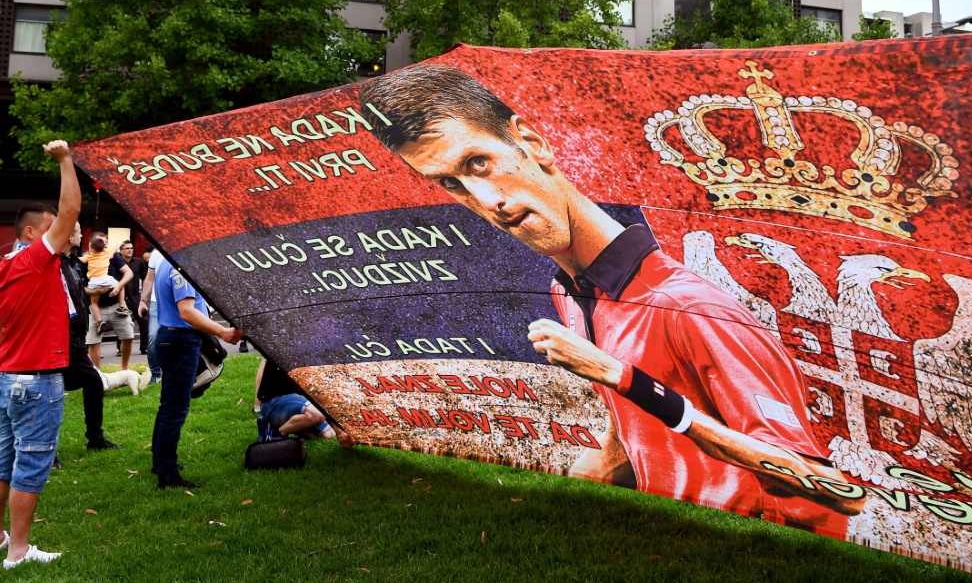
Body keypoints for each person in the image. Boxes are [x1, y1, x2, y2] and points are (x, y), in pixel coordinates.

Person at [359, 65, 865, 533]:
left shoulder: (687, 306)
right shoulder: (570, 292)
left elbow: (833, 492)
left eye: (479, 162)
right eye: (452, 183)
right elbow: (635, 427)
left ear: (532, 143)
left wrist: (620, 376)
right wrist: (597, 468)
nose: (486, 202)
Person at [0, 141, 80, 568]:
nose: (64, 235)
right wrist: (66, 161)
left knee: (3, 460)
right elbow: (68, 213)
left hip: (8, 376)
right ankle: (18, 551)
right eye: (50, 230)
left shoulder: (5, 267)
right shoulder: (33, 260)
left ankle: (1, 536)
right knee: (30, 464)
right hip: (35, 380)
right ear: (31, 234)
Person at [151, 258, 242, 489]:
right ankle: (168, 476)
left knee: (168, 406)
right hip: (180, 341)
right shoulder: (179, 265)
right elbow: (186, 312)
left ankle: (161, 464)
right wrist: (222, 331)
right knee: (175, 409)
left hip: (171, 338)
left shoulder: (165, 262)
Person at [60, 223, 118, 452]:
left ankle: (96, 440)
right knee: (50, 393)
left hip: (75, 340)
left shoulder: (72, 263)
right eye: (77, 230)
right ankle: (45, 450)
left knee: (93, 381)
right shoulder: (54, 264)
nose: (81, 234)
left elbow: (76, 293)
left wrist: (93, 292)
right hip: (58, 341)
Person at [255, 359, 354, 447]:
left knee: (329, 434)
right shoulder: (291, 354)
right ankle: (277, 433)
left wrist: (338, 430)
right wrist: (339, 431)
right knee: (317, 416)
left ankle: (283, 425)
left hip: (295, 400)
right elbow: (317, 396)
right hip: (272, 403)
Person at [83, 243, 133, 371]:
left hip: (115, 304)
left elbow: (128, 273)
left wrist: (118, 286)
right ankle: (97, 373)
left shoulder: (114, 257)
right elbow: (79, 285)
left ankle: (124, 369)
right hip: (97, 306)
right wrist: (94, 292)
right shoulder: (87, 260)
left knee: (128, 336)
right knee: (93, 341)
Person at [80, 233, 129, 330]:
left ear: (91, 247)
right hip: (106, 279)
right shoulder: (107, 254)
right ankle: (122, 306)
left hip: (93, 281)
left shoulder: (89, 257)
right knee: (121, 285)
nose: (105, 244)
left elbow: (79, 259)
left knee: (94, 303)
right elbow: (115, 248)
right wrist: (120, 243)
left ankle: (99, 322)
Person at [137, 249, 163, 384]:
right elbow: (149, 278)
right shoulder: (156, 255)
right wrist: (142, 301)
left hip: (179, 302)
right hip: (157, 303)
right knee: (153, 336)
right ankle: (155, 373)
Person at [119, 241, 148, 356]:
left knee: (144, 321)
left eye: (131, 248)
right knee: (122, 323)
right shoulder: (118, 262)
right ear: (121, 251)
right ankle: (120, 347)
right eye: (126, 248)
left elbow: (145, 278)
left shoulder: (139, 262)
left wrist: (143, 298)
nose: (129, 250)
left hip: (136, 297)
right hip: (121, 297)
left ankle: (144, 347)